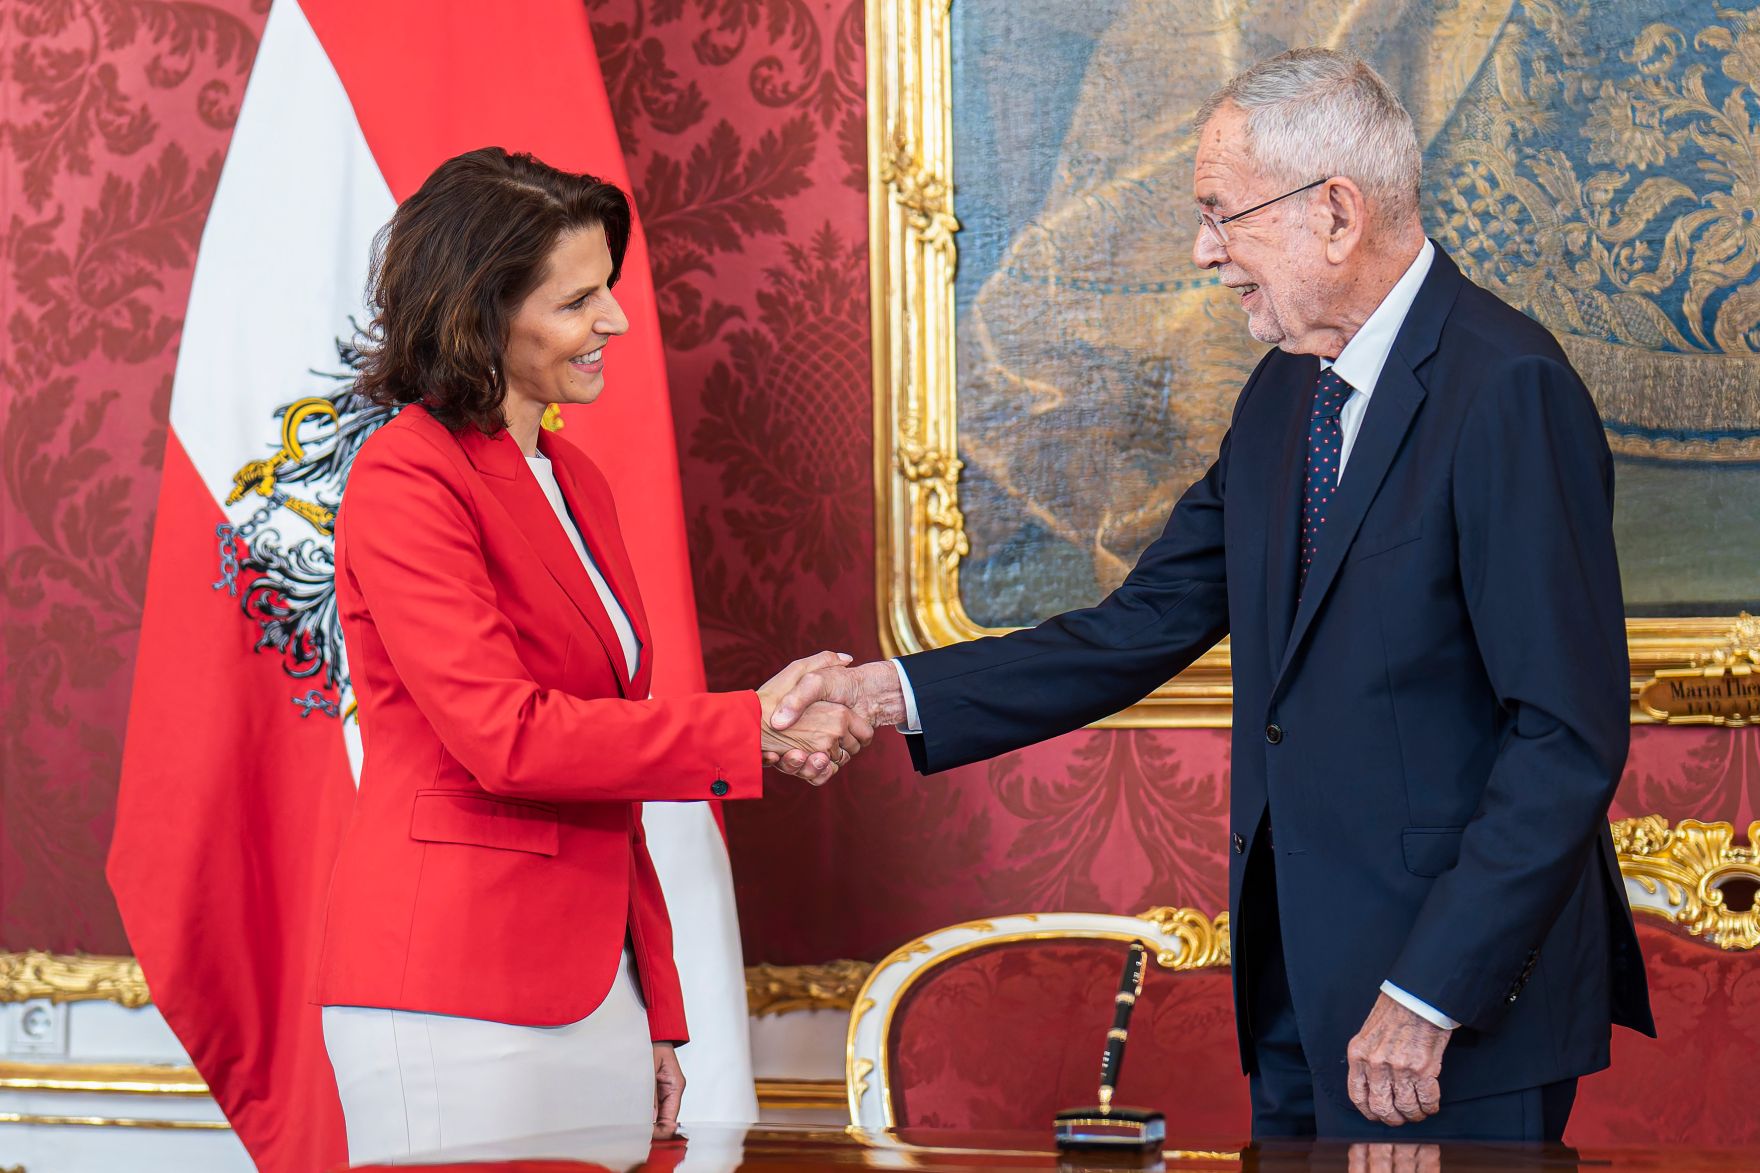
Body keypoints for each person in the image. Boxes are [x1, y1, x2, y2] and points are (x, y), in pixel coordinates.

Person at [772, 50, 1653, 1141]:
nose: (1202, 252)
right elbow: (1140, 623)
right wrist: (875, 694)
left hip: (1446, 1017)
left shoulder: (1505, 387)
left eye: (1219, 215)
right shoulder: (1286, 390)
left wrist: (1428, 995)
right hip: (1296, 987)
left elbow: (1561, 734)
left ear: (1333, 212)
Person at [316, 147, 868, 1163]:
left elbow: (609, 785)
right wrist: (751, 723)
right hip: (455, 992)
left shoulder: (571, 476)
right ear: (479, 315)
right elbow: (506, 739)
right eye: (577, 301)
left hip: (594, 984)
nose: (613, 321)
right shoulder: (406, 479)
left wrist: (653, 1005)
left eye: (606, 288)